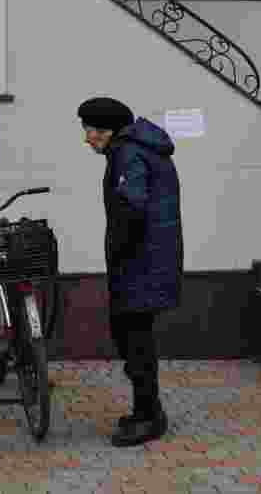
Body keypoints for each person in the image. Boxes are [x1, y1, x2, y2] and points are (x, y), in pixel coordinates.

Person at [77, 97, 184, 447]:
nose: (87, 139)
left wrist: (119, 253)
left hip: (139, 263)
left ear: (109, 130)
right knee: (134, 338)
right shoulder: (140, 149)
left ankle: (150, 417)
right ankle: (144, 410)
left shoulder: (128, 154)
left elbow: (131, 209)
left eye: (91, 131)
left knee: (134, 341)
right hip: (148, 260)